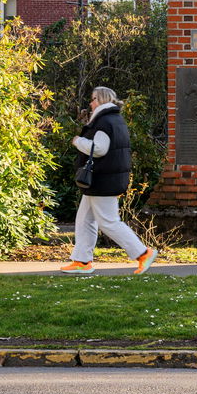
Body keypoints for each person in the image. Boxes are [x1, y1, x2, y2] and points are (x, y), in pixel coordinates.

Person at [60, 86, 158, 275]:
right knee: (84, 220)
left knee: (108, 222)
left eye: (92, 99)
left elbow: (100, 149)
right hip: (105, 178)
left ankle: (143, 253)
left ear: (100, 99)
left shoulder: (104, 121)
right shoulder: (115, 119)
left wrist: (78, 141)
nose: (90, 103)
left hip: (103, 180)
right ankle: (82, 261)